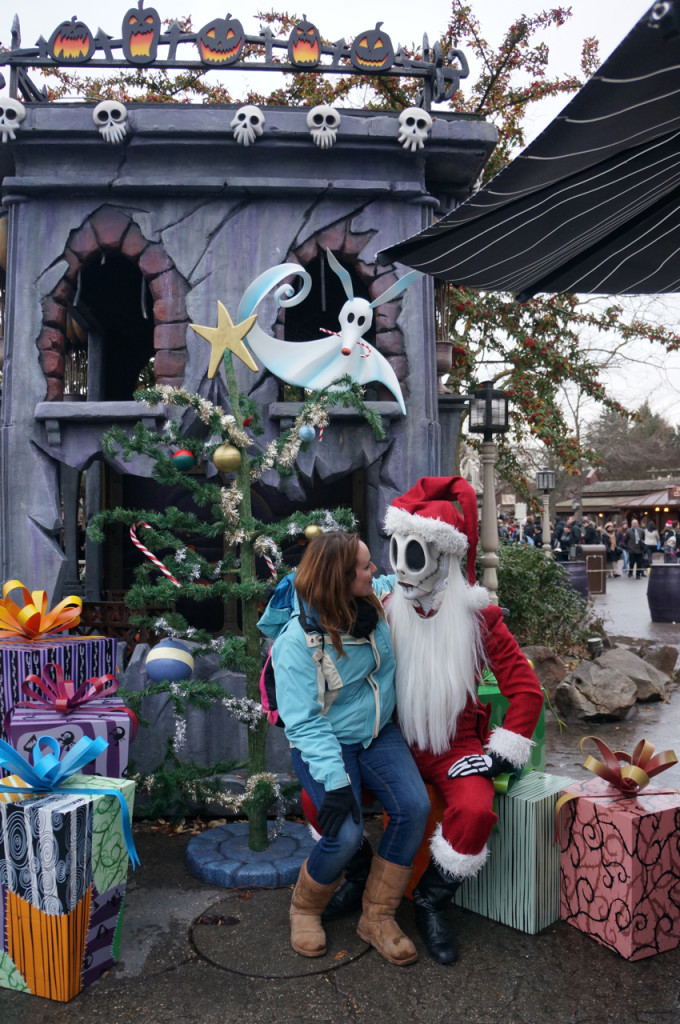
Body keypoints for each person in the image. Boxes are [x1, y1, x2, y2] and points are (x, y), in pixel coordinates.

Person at [383, 476, 543, 965]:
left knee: (475, 812)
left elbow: (527, 691)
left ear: (443, 557)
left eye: (415, 555)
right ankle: (352, 879)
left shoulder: (478, 618)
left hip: (455, 748)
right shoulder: (385, 610)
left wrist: (495, 755)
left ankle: (432, 899)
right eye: (396, 551)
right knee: (318, 793)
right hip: (392, 743)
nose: (403, 571)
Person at [257, 531, 430, 966]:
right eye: (367, 567)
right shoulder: (297, 643)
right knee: (346, 833)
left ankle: (377, 916)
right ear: (339, 579)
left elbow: (416, 581)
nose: (377, 572)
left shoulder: (372, 599)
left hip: (376, 734)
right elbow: (306, 722)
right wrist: (334, 783)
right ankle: (305, 907)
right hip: (325, 742)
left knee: (414, 807)